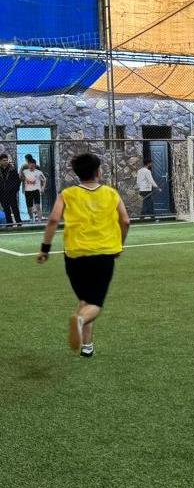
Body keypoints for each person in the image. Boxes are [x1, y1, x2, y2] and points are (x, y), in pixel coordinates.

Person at [37, 153, 130, 358]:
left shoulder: (67, 194)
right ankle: (79, 320)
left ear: (78, 173)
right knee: (95, 304)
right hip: (103, 254)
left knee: (85, 300)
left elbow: (53, 220)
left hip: (74, 256)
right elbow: (125, 221)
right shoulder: (111, 193)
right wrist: (119, 245)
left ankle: (87, 346)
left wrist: (45, 249)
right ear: (98, 172)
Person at [0, 153, 22, 228]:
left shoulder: (12, 169)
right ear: (0, 161)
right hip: (2, 193)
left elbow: (17, 180)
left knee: (14, 207)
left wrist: (15, 189)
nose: (6, 162)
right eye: (4, 160)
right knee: (6, 209)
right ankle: (9, 224)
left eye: (6, 160)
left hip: (11, 192)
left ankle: (19, 223)